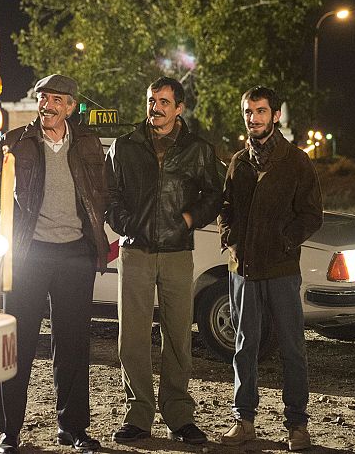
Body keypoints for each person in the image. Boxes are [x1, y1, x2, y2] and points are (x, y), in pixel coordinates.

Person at [0, 74, 110, 454]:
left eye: (57, 100)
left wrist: (101, 240)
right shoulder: (15, 143)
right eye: (43, 98)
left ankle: (73, 428)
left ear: (71, 106)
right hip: (29, 254)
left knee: (74, 344)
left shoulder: (89, 144)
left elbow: (100, 194)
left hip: (74, 255)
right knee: (17, 343)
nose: (48, 106)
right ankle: (8, 433)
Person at [105, 76, 223, 446]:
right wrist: (125, 224)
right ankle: (138, 416)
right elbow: (108, 194)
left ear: (179, 109)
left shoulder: (197, 149)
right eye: (151, 100)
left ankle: (179, 415)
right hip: (135, 251)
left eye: (163, 102)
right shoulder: (125, 147)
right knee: (133, 338)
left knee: (177, 336)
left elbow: (216, 192)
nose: (155, 107)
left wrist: (189, 219)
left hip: (176, 253)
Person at [218, 86, 323, 452]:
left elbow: (311, 215)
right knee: (244, 346)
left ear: (275, 115)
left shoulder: (296, 161)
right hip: (242, 268)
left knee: (293, 347)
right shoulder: (238, 162)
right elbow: (226, 207)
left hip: (280, 268)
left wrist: (284, 241)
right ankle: (243, 420)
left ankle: (297, 424)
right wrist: (230, 237)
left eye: (261, 111)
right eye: (248, 112)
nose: (254, 118)